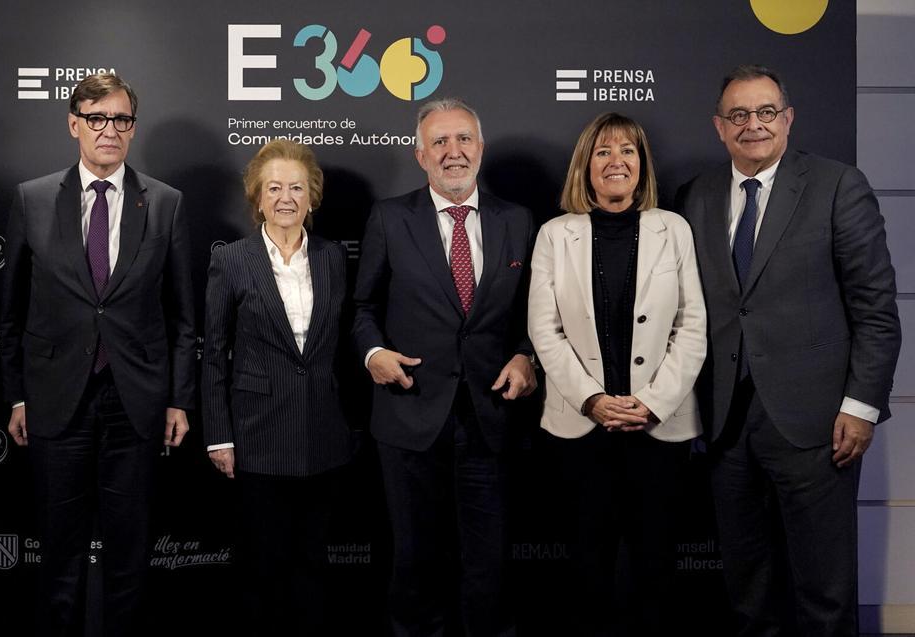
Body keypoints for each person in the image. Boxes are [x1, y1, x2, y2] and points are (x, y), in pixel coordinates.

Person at [678, 64, 901, 637]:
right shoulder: (695, 196)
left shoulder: (837, 186)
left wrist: (861, 406)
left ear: (788, 118)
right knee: (748, 589)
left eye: (766, 112)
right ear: (719, 126)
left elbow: (876, 309)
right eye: (739, 115)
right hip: (725, 423)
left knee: (824, 591)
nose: (754, 125)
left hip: (818, 422)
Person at [0, 72, 196, 635]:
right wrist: (14, 394)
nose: (109, 130)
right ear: (73, 124)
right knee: (58, 551)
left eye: (121, 120)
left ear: (133, 128)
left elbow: (184, 317)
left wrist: (179, 399)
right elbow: (9, 316)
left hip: (135, 402)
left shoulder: (165, 203)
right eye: (97, 118)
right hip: (55, 399)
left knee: (130, 551)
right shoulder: (32, 199)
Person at [353, 98, 536, 637]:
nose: (453, 153)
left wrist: (527, 354)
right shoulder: (389, 217)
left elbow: (536, 310)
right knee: (414, 561)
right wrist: (373, 353)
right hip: (409, 416)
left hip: (491, 417)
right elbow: (362, 307)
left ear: (480, 149)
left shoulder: (518, 220)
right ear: (420, 154)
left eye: (463, 140)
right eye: (440, 142)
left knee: (489, 564)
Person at [528, 112, 706, 636]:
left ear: (642, 163)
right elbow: (544, 330)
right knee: (588, 566)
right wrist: (592, 400)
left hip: (660, 427)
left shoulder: (673, 229)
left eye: (628, 150)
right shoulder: (554, 235)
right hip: (581, 428)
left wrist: (652, 402)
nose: (616, 161)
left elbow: (691, 325)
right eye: (604, 151)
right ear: (586, 165)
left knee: (656, 566)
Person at [202, 139, 352, 636]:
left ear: (312, 197)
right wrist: (219, 435)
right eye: (274, 188)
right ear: (257, 198)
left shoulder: (333, 258)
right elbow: (215, 352)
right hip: (256, 436)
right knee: (261, 568)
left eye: (296, 187)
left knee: (313, 566)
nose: (286, 197)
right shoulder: (233, 260)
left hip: (323, 436)